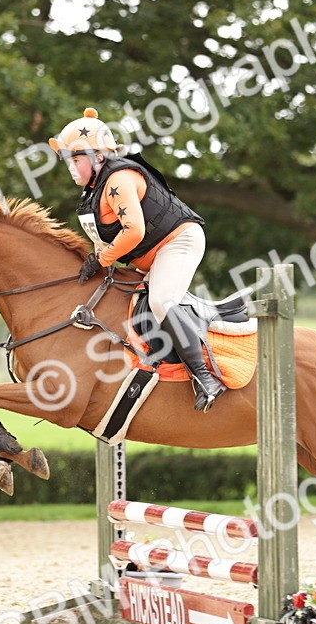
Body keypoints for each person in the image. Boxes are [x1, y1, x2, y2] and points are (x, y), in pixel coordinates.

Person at [49, 107, 226, 412]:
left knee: (161, 302)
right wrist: (97, 261)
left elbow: (134, 231)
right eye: (68, 161)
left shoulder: (119, 179)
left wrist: (102, 259)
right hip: (154, 256)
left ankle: (206, 378)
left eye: (75, 160)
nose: (71, 167)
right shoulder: (92, 193)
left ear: (97, 157)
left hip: (179, 242)